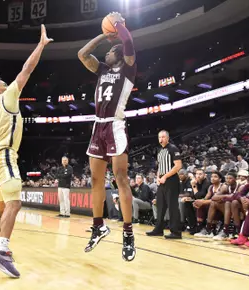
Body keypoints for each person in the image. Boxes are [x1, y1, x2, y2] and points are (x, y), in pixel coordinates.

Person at [0, 24, 53, 278]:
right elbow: (27, 69)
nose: (8, 83)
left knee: (0, 203)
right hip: (4, 154)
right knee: (15, 203)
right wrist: (40, 45)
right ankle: (2, 252)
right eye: (3, 83)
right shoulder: (8, 95)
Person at [78, 12, 137, 261]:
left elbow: (129, 45)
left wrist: (120, 27)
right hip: (97, 126)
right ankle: (98, 225)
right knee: (95, 180)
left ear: (118, 54)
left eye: (109, 52)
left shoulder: (128, 69)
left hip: (115, 125)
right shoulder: (101, 69)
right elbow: (82, 54)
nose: (105, 56)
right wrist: (104, 34)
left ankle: (128, 233)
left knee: (121, 179)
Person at [146, 130, 183, 239]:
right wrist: (158, 177)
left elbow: (178, 166)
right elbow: (160, 167)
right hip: (162, 180)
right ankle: (158, 229)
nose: (161, 139)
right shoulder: (159, 150)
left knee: (172, 207)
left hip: (171, 180)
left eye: (163, 137)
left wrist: (165, 176)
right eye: (159, 137)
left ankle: (176, 232)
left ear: (167, 138)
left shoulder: (173, 149)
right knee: (160, 205)